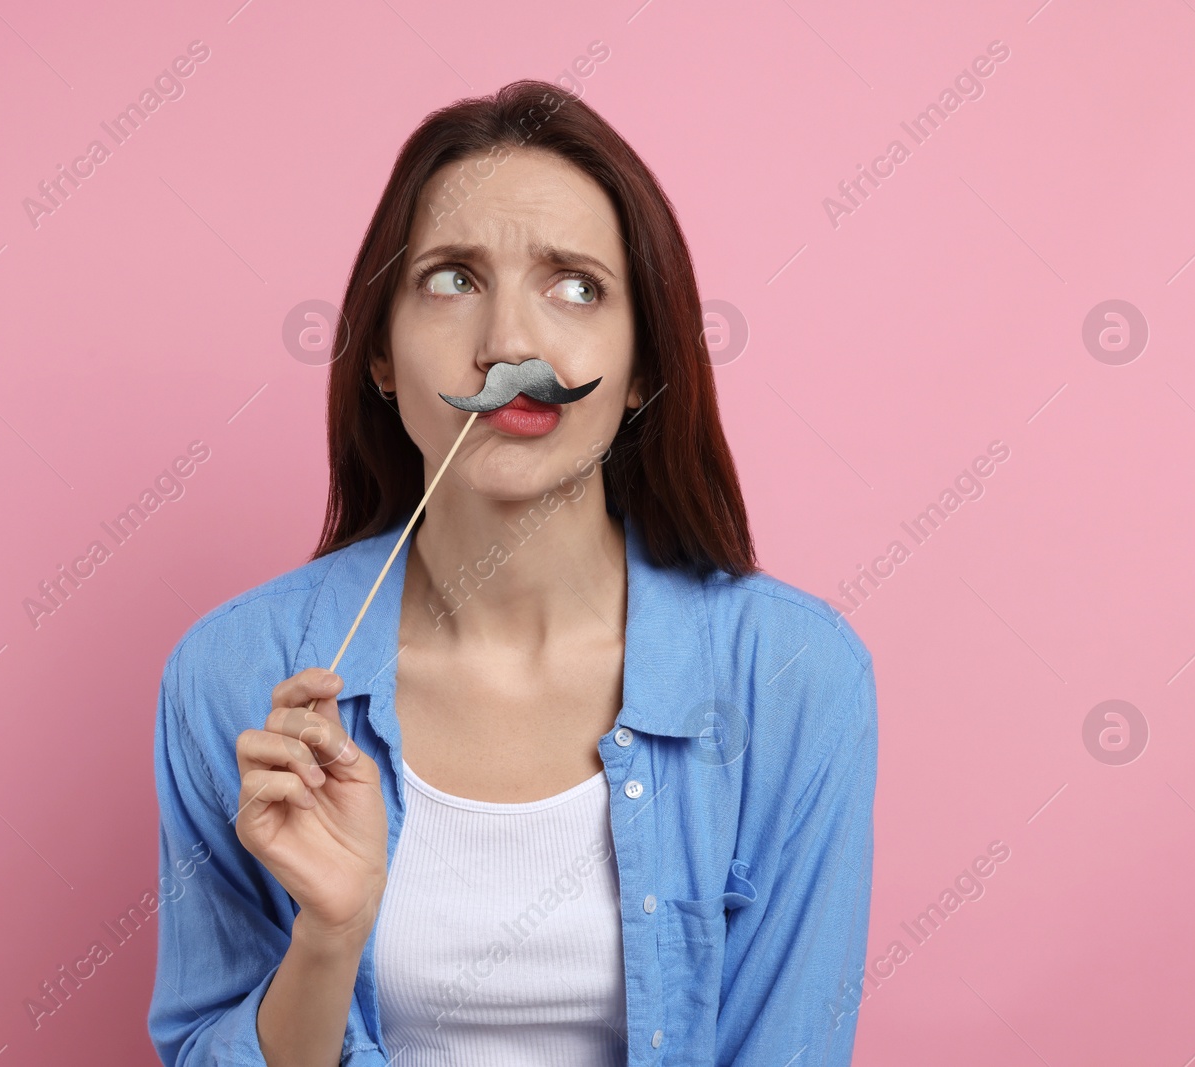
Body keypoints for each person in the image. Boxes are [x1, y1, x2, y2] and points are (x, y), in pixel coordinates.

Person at [149, 79, 877, 1067]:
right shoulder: (233, 674)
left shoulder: (792, 675)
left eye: (575, 286)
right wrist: (327, 935)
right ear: (379, 355)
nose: (508, 346)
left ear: (641, 368)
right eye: (452, 278)